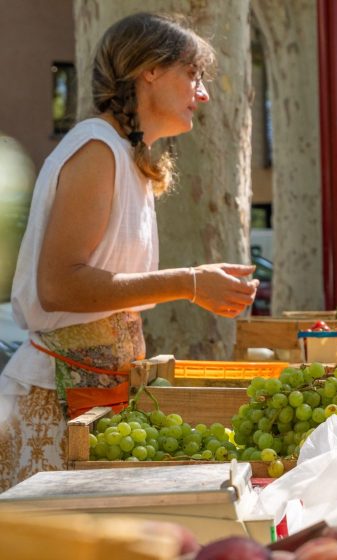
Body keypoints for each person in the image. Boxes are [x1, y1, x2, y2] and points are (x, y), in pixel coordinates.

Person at [0, 13, 259, 491]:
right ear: (150, 70)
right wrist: (190, 282)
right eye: (193, 75)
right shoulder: (97, 148)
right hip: (53, 405)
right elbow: (58, 286)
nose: (201, 94)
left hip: (89, 399)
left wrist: (195, 280)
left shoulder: (125, 155)